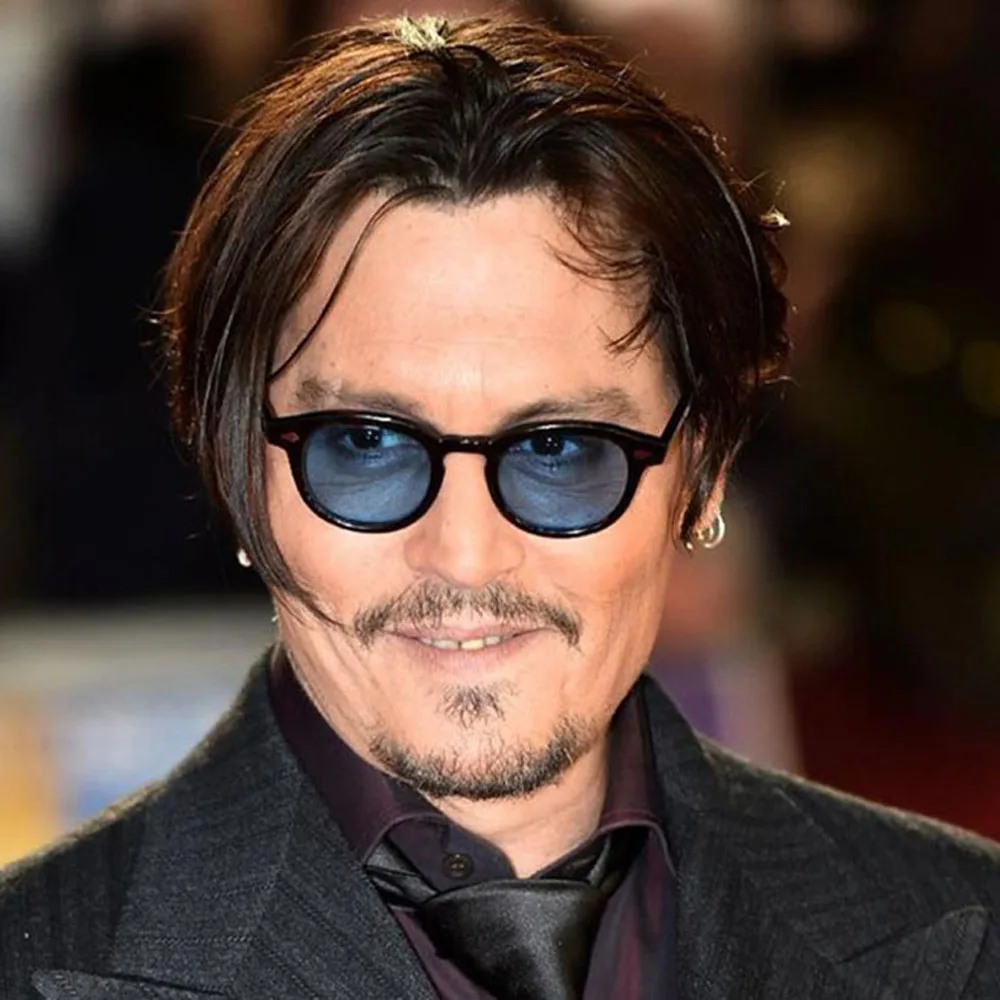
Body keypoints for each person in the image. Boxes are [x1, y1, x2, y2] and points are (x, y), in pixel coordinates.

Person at [2, 14, 998, 1000]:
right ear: (232, 466)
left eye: (559, 451)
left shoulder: (969, 937)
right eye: (367, 446)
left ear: (702, 469)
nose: (466, 554)